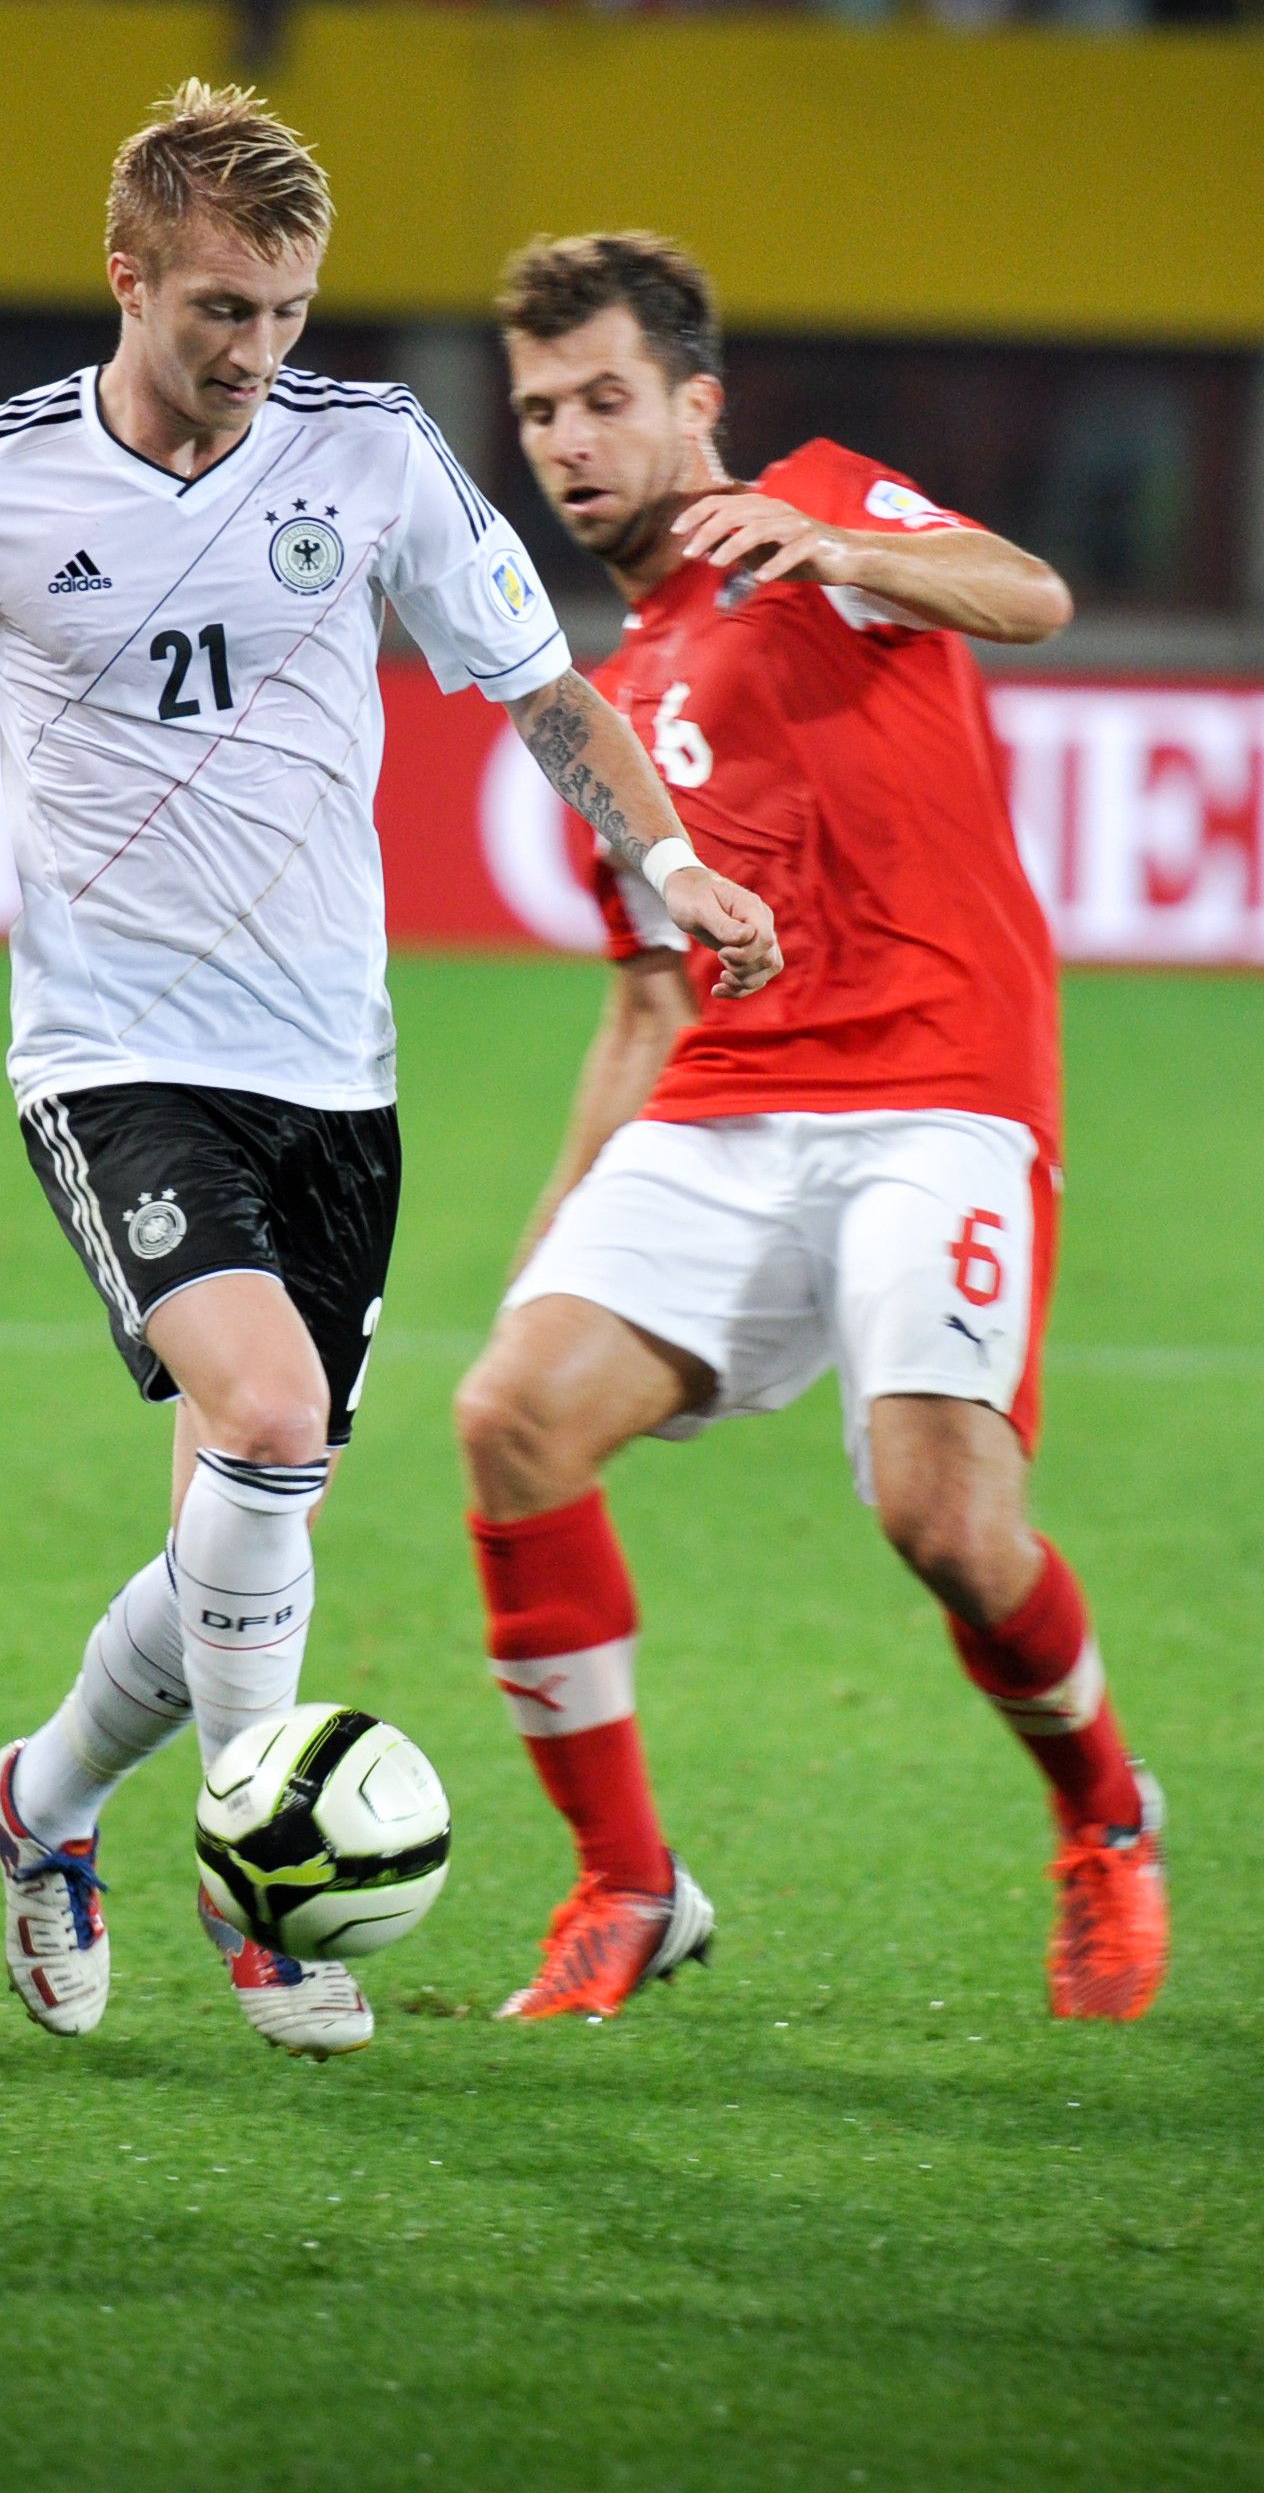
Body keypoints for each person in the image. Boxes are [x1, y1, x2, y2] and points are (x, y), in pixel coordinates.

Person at [0, 81, 779, 2060]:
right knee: (268, 1402)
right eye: (220, 307)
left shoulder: (372, 455)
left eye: (288, 312)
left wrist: (667, 854)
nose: (254, 352)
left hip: (336, 1061)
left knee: (260, 1489)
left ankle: (39, 1801)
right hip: (114, 1051)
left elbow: (540, 689)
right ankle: (261, 1899)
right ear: (125, 276)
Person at [445, 232, 1165, 2026]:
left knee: (941, 1517)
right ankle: (625, 1884)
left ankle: (1104, 1817)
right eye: (539, 409)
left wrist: (846, 544)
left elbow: (1031, 593)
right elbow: (642, 998)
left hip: (937, 1085)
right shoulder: (597, 695)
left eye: (605, 397)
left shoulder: (817, 513)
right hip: (726, 1102)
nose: (568, 438)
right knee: (509, 1417)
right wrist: (551, 1228)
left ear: (693, 403)